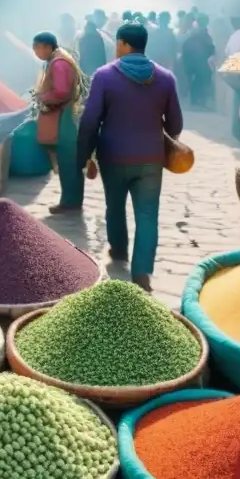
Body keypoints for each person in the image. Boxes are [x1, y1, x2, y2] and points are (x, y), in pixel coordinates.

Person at [77, 23, 182, 291]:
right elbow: (175, 124)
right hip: (150, 159)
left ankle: (119, 250)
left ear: (123, 44)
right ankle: (142, 272)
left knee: (114, 205)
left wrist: (83, 155)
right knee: (147, 214)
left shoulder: (104, 76)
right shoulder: (166, 77)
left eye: (117, 43)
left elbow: (90, 120)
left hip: (113, 156)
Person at [32, 32, 87, 215]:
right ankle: (72, 200)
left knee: (67, 160)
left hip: (65, 117)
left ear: (47, 47)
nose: (35, 52)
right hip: (68, 115)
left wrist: (42, 97)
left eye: (36, 47)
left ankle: (70, 202)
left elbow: (61, 92)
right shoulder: (59, 59)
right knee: (70, 161)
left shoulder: (58, 63)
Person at [181, 12, 216, 108]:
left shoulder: (193, 33)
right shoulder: (204, 34)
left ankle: (195, 99)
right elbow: (210, 48)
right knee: (201, 80)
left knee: (196, 80)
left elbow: (185, 46)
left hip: (193, 61)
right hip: (200, 62)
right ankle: (199, 99)